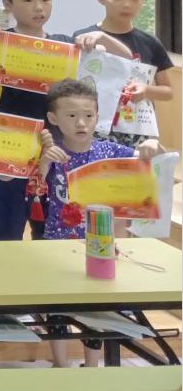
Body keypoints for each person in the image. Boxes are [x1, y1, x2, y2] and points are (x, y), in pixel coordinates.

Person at [0, 0, 128, 241]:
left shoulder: (65, 45)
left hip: (56, 150)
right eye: (28, 0)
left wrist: (102, 38)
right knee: (6, 228)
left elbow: (126, 62)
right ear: (8, 4)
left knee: (53, 228)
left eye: (45, 0)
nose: (39, 7)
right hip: (8, 149)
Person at [38, 78, 164, 368]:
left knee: (96, 308)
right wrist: (43, 162)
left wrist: (153, 144)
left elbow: (154, 158)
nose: (81, 123)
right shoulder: (51, 153)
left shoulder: (110, 150)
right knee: (57, 307)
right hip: (58, 242)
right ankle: (60, 364)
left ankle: (92, 366)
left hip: (102, 243)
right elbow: (33, 189)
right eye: (71, 115)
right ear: (54, 118)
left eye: (88, 115)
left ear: (97, 115)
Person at [73, 0, 176, 147]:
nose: (127, 5)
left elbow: (168, 91)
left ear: (143, 0)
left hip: (136, 129)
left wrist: (146, 90)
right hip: (92, 126)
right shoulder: (84, 37)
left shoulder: (150, 42)